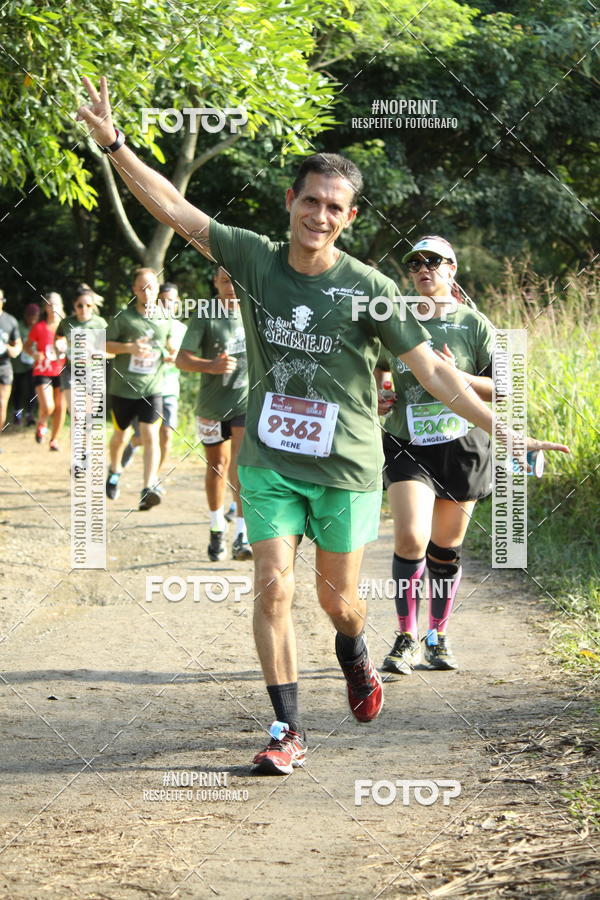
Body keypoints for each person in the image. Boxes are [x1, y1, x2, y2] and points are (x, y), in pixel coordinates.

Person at [77, 77, 569, 776]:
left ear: (349, 216)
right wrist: (116, 145)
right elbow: (177, 210)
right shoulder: (252, 257)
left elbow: (433, 372)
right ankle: (287, 728)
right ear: (291, 203)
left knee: (341, 607)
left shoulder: (369, 289)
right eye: (309, 200)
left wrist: (506, 429)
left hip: (345, 468)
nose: (319, 214)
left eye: (333, 207)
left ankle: (355, 657)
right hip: (271, 458)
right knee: (273, 584)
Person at [377, 236, 497, 675]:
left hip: (461, 445)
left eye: (434, 261)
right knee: (410, 537)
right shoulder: (396, 320)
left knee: (444, 550)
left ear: (452, 267)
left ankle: (437, 636)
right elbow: (377, 368)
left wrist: (456, 374)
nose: (424, 269)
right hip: (408, 442)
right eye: (415, 263)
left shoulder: (474, 323)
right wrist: (380, 392)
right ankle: (406, 636)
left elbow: (502, 388)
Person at [176, 266, 251, 562]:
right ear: (215, 283)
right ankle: (216, 526)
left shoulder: (254, 312)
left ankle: (242, 535)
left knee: (241, 465)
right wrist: (210, 366)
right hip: (211, 406)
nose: (230, 286)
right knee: (216, 467)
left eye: (234, 280)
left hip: (245, 402)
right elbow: (182, 360)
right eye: (224, 281)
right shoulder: (205, 314)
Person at [104, 267, 176, 511]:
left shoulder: (165, 318)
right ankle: (114, 470)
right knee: (120, 437)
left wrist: (170, 354)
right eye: (142, 287)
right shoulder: (123, 318)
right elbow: (102, 344)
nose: (147, 291)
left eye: (152, 287)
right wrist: (129, 348)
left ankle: (148, 487)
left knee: (150, 434)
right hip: (123, 389)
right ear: (135, 290)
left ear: (157, 289)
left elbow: (170, 346)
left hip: (152, 388)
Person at [121, 282, 186, 477]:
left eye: (172, 302)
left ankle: (152, 481)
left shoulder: (183, 329)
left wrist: (177, 359)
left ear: (178, 303)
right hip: (147, 388)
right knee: (143, 436)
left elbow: (189, 359)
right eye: (163, 301)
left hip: (170, 389)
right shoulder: (148, 324)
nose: (167, 305)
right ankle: (133, 444)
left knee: (166, 435)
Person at [23, 292, 66, 450]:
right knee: (49, 406)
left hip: (62, 371)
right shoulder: (39, 327)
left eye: (56, 303)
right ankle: (42, 423)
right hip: (43, 370)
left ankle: (54, 440)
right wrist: (34, 353)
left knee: (60, 407)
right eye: (49, 303)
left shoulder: (67, 326)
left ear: (61, 305)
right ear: (45, 307)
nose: (53, 306)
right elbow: (26, 346)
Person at [55, 286, 108, 414]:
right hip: (71, 371)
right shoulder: (66, 323)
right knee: (76, 415)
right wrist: (58, 349)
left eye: (88, 305)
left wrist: (96, 353)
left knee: (89, 417)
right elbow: (58, 338)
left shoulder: (101, 324)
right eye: (80, 306)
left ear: (93, 306)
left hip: (94, 373)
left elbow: (111, 351)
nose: (84, 309)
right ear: (74, 305)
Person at [11, 303, 40, 426]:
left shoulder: (39, 327)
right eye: (30, 317)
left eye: (35, 317)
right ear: (25, 316)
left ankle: (29, 414)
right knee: (17, 389)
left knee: (32, 390)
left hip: (33, 364)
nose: (32, 320)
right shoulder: (18, 326)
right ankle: (17, 414)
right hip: (18, 364)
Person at [0, 290, 23, 436]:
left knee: (2, 404)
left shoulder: (10, 320)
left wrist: (14, 350)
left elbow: (18, 344)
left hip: (4, 366)